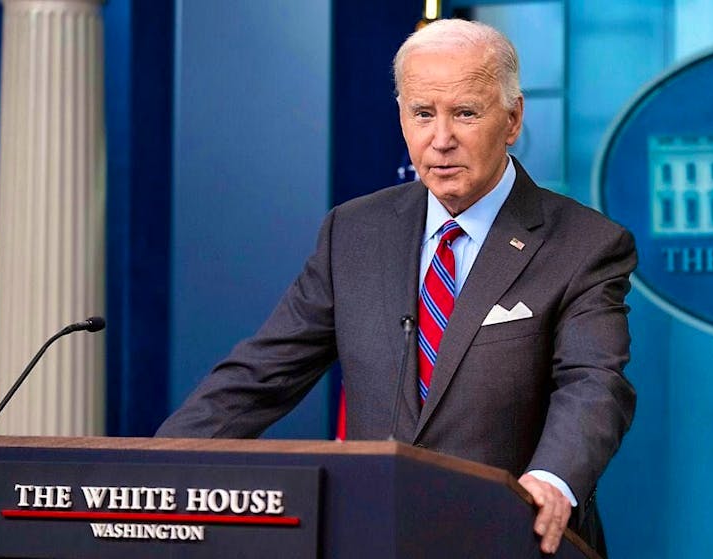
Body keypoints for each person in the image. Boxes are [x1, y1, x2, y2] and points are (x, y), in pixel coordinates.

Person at [157, 18, 637, 556]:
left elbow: (593, 384)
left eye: (465, 113)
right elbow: (261, 375)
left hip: (513, 540)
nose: (441, 140)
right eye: (423, 114)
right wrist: (155, 467)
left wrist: (553, 478)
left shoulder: (585, 243)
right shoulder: (355, 233)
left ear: (512, 118)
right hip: (376, 538)